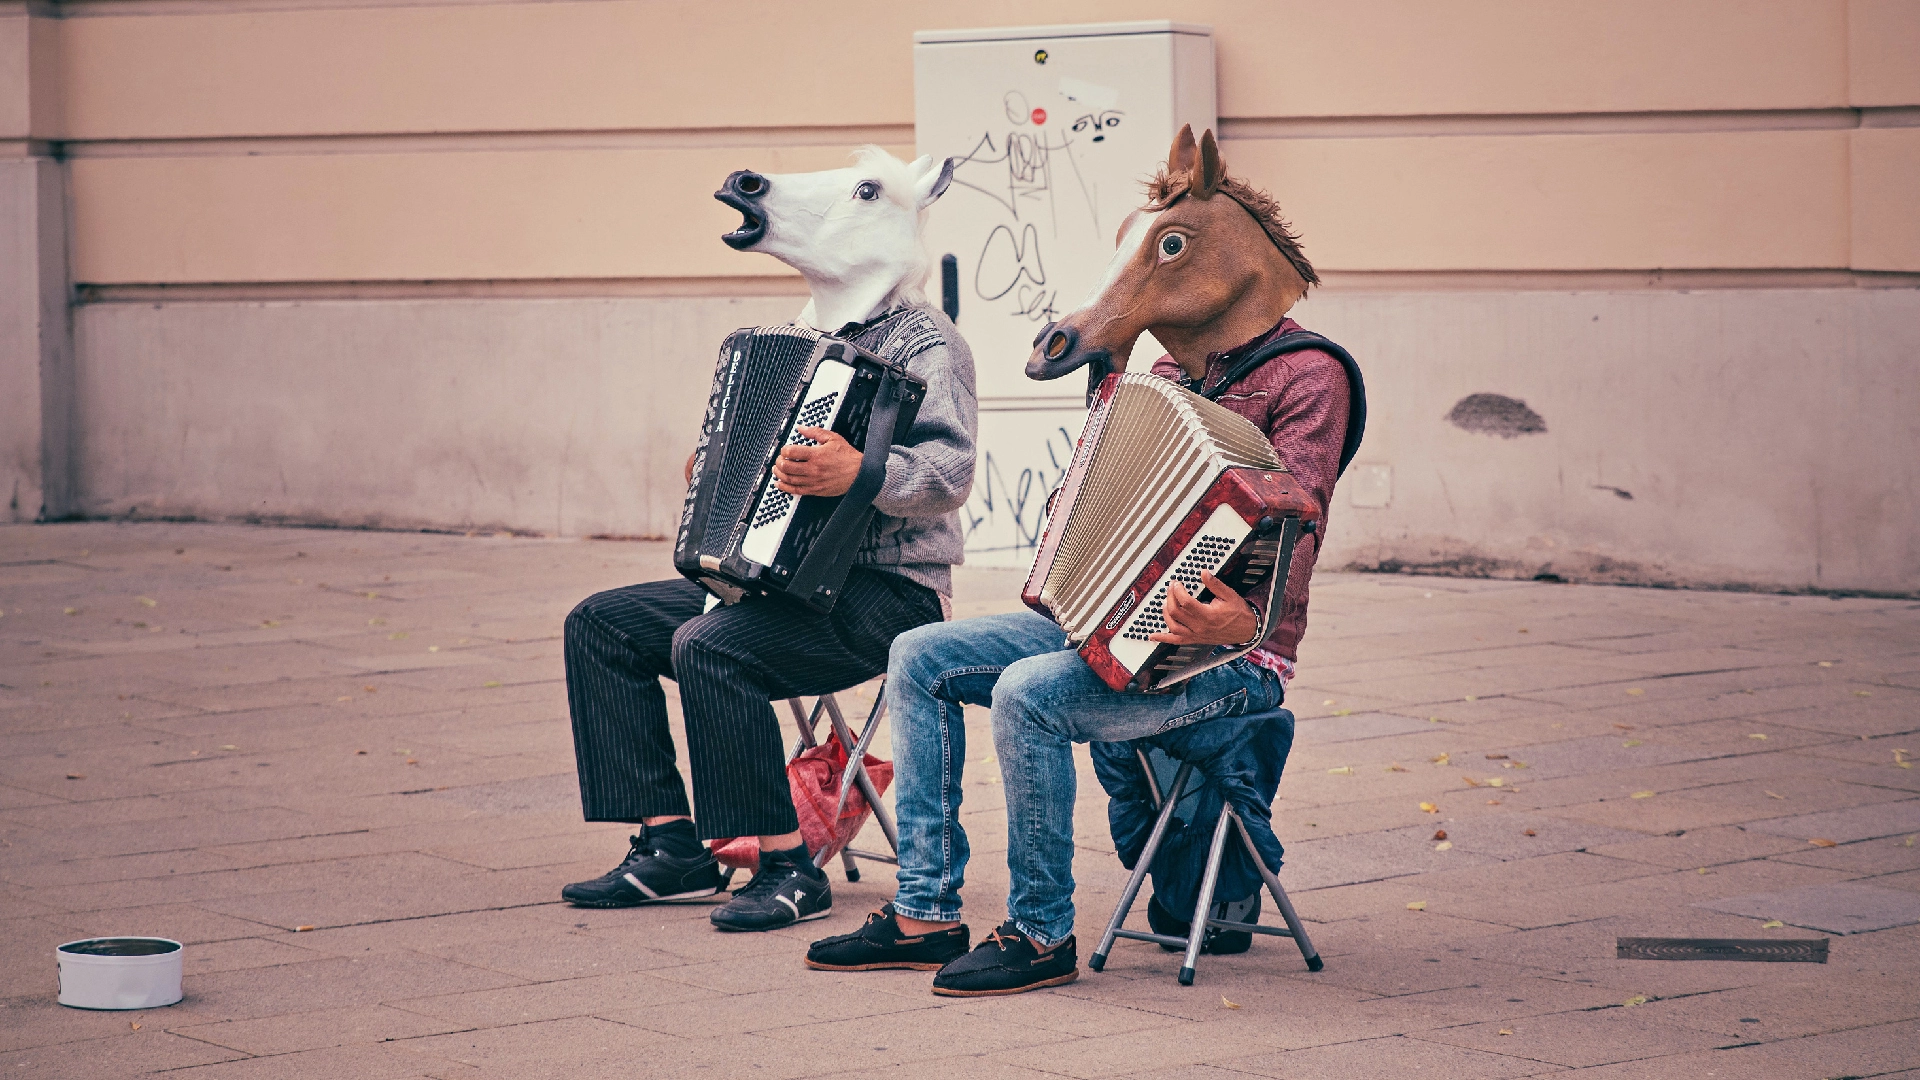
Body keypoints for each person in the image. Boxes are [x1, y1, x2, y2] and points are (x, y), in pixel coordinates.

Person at [561, 303, 976, 932]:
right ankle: (671, 846)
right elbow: (760, 454)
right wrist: (721, 466)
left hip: (890, 590)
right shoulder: (808, 331)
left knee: (711, 645)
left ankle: (789, 869)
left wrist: (860, 473)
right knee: (601, 623)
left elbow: (951, 473)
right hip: (785, 576)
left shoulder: (927, 339)